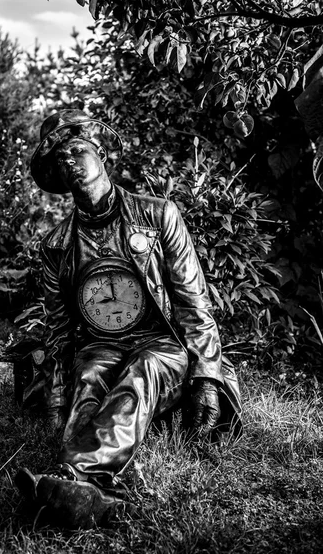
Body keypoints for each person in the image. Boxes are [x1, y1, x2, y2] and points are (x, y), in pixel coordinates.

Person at [15, 109, 241, 529]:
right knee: (88, 374)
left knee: (144, 370)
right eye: (60, 160)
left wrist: (207, 379)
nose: (69, 162)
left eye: (77, 150)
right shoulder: (56, 245)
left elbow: (194, 302)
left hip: (162, 343)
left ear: (100, 152)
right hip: (100, 345)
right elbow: (60, 331)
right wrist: (56, 400)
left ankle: (84, 478)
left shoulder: (158, 215)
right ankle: (85, 490)